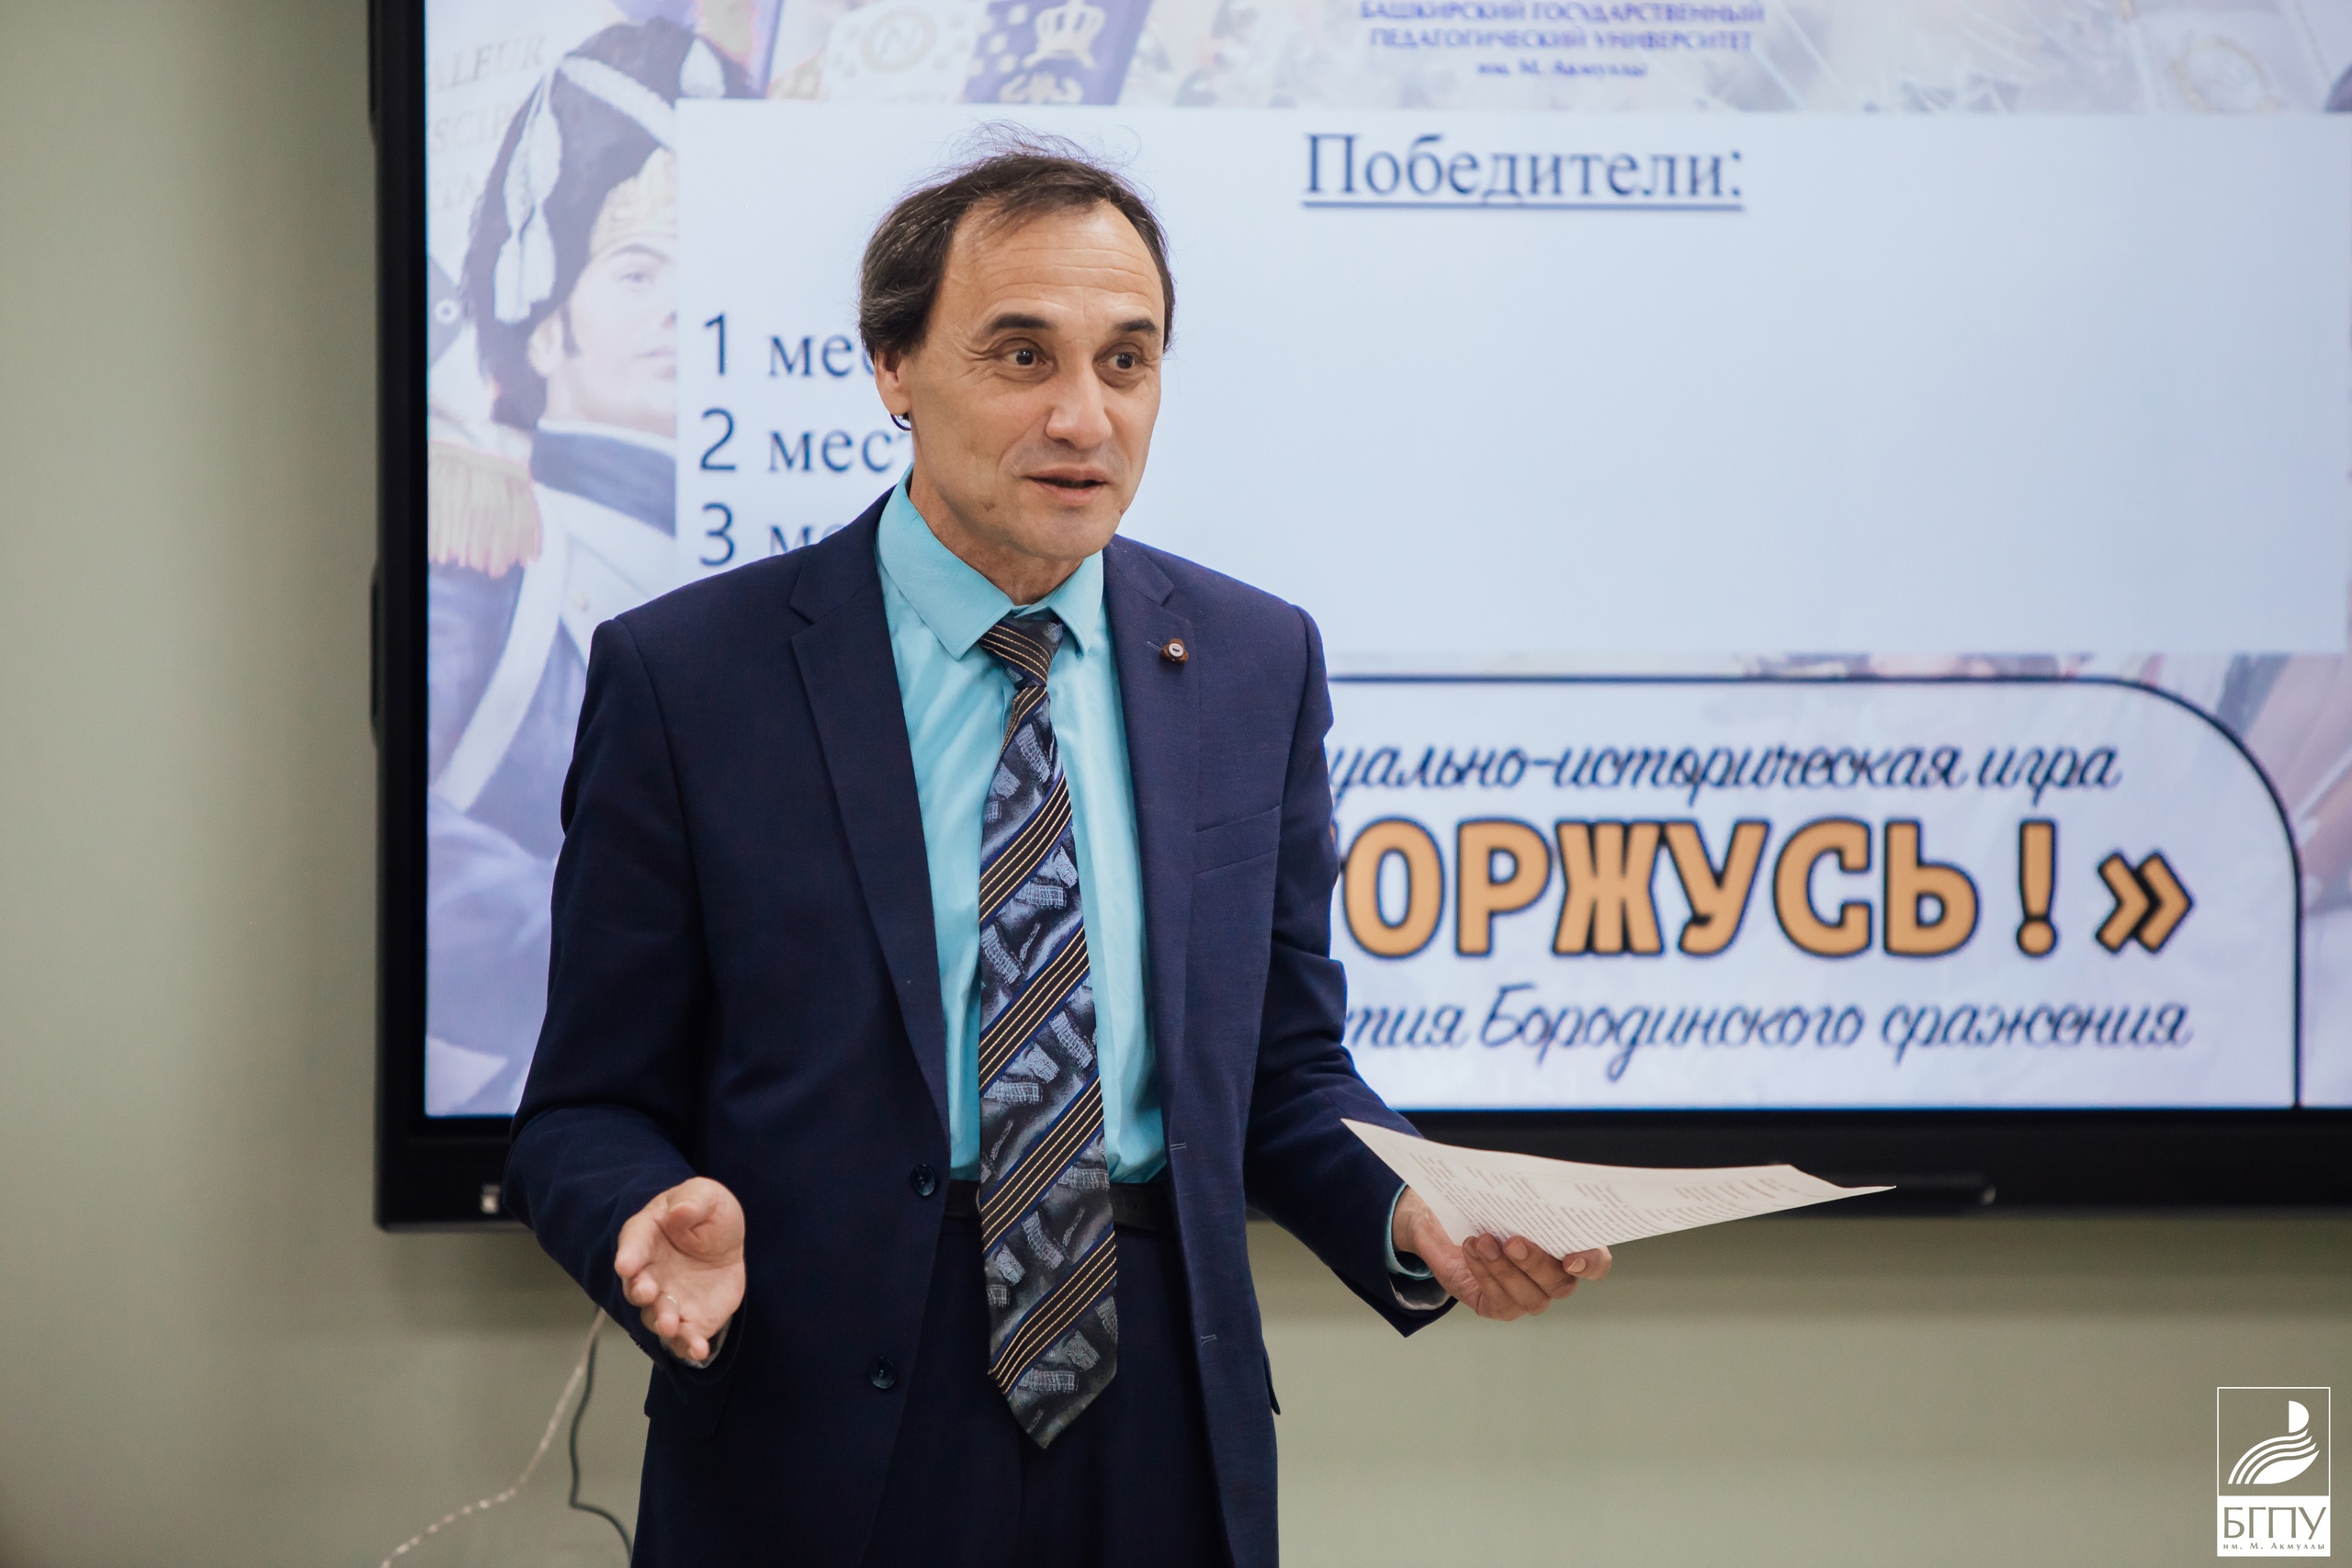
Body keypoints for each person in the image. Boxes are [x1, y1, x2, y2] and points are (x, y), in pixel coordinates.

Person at [505, 140, 1610, 1567]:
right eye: (1023, 354)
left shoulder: (1253, 661)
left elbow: (1280, 1070)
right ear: (893, 366)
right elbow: (582, 1109)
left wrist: (1416, 1210)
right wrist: (643, 1211)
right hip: (814, 1406)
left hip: (1157, 1414)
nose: (1085, 415)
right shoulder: (691, 676)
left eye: (1126, 361)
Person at [425, 20, 752, 1114]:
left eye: (704, 272)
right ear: (543, 324)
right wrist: (650, 961)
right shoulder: (490, 554)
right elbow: (422, 851)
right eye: (635, 271)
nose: (679, 307)